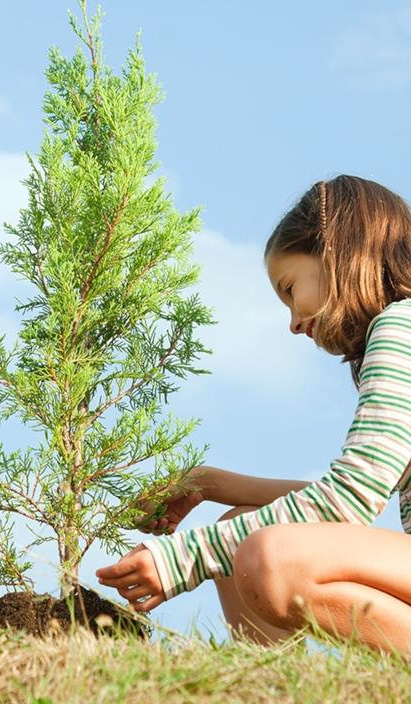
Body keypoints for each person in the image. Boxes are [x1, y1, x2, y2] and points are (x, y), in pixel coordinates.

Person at [96, 175, 411, 653]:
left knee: (269, 555)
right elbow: (352, 502)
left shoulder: (400, 327)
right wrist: (209, 485)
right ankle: (277, 687)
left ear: (336, 251)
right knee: (244, 527)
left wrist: (184, 556)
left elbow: (348, 502)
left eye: (290, 289)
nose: (292, 322)